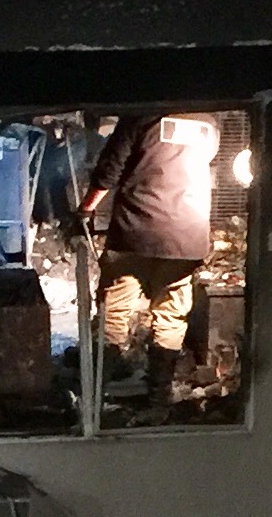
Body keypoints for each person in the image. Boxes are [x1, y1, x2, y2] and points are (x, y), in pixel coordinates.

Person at [80, 107, 222, 415]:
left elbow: (109, 170)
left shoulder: (141, 116)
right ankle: (159, 400)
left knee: (113, 312)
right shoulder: (209, 123)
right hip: (187, 236)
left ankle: (96, 397)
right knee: (172, 316)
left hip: (136, 233)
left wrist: (85, 209)